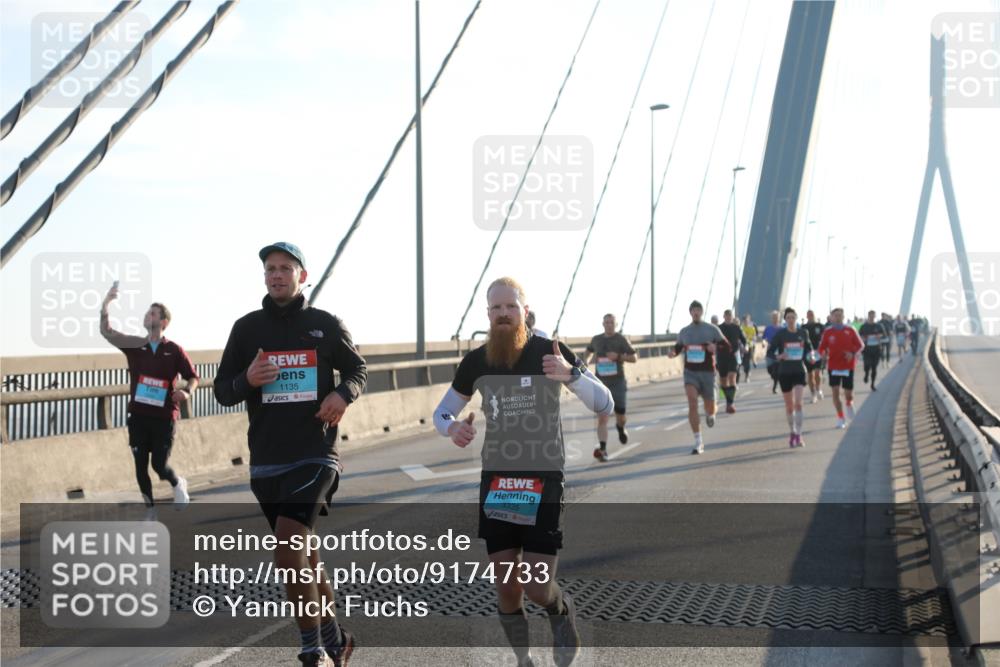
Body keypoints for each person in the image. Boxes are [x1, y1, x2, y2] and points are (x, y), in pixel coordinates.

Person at [434, 277, 613, 667]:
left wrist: (571, 374)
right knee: (507, 588)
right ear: (487, 314)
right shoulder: (476, 361)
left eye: (510, 307)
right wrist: (452, 428)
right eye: (496, 308)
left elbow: (605, 404)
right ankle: (523, 659)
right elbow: (442, 412)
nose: (503, 314)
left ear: (524, 311)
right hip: (498, 481)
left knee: (535, 586)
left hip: (543, 478)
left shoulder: (550, 352)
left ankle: (559, 610)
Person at [214, 242, 368, 667]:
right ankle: (336, 639)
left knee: (287, 549)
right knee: (304, 555)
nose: (277, 275)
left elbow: (357, 369)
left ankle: (311, 648)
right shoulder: (246, 329)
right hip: (267, 460)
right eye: (270, 269)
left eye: (285, 268)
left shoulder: (324, 325)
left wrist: (342, 394)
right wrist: (247, 379)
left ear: (303, 276)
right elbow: (222, 390)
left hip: (315, 454)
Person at [100, 285, 197, 516]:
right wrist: (106, 304)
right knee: (140, 466)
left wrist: (187, 392)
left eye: (152, 314)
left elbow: (193, 376)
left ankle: (177, 483)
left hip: (164, 417)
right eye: (147, 313)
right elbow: (106, 331)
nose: (147, 316)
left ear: (163, 322)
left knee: (159, 466)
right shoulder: (135, 346)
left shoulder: (174, 350)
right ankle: (150, 511)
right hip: (138, 416)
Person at [668, 300, 731, 454]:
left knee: (710, 407)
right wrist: (673, 353)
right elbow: (678, 347)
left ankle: (711, 414)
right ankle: (698, 442)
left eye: (698, 310)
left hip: (708, 373)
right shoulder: (684, 331)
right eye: (693, 310)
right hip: (690, 373)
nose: (696, 312)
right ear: (690, 313)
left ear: (702, 312)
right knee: (692, 402)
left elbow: (727, 346)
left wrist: (715, 347)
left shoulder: (711, 329)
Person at [585, 313, 637, 462]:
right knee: (602, 418)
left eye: (611, 323)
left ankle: (621, 427)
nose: (609, 325)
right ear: (603, 324)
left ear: (616, 325)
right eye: (606, 322)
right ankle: (603, 449)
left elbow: (634, 357)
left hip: (618, 382)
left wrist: (619, 357)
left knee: (621, 416)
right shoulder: (596, 339)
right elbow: (588, 351)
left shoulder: (621, 339)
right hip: (600, 383)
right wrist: (586, 360)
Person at [768, 307, 813, 448]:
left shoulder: (803, 333)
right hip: (785, 372)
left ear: (796, 318)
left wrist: (811, 356)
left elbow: (809, 349)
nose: (791, 320)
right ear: (785, 320)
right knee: (789, 406)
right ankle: (792, 432)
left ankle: (799, 434)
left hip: (799, 370)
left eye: (793, 317)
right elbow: (769, 352)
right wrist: (779, 356)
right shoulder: (781, 334)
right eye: (788, 318)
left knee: (798, 403)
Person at [818, 307, 864, 429]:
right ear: (831, 318)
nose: (838, 317)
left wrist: (852, 354)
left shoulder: (850, 330)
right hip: (833, 366)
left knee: (848, 394)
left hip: (848, 365)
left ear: (843, 317)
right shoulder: (828, 332)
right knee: (835, 392)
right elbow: (821, 348)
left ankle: (849, 403)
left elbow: (861, 345)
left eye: (840, 315)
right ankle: (840, 417)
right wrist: (823, 354)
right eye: (835, 315)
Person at [716, 309, 747, 413]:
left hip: (733, 356)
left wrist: (745, 347)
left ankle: (730, 403)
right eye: (727, 315)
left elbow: (744, 340)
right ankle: (728, 400)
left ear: (732, 317)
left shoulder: (737, 328)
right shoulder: (719, 328)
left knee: (732, 377)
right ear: (724, 317)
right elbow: (713, 340)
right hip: (721, 356)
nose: (728, 317)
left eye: (730, 316)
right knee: (723, 381)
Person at [801, 309, 825, 403]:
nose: (810, 316)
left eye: (812, 314)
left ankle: (818, 389)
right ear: (806, 316)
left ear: (814, 315)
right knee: (810, 374)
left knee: (818, 372)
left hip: (818, 352)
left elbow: (824, 338)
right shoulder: (803, 327)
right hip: (807, 353)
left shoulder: (820, 326)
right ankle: (813, 394)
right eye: (809, 314)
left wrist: (825, 351)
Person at [858, 310, 885, 391]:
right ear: (868, 316)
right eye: (870, 316)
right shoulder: (864, 326)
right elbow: (859, 336)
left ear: (875, 316)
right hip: (867, 349)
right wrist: (864, 338)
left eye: (873, 316)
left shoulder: (879, 326)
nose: (872, 317)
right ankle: (866, 374)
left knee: (874, 367)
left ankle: (872, 384)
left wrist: (879, 336)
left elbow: (884, 335)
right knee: (867, 365)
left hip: (876, 349)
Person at [762, 310, 783, 393]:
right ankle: (776, 379)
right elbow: (764, 339)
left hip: (779, 352)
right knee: (770, 370)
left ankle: (775, 386)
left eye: (776, 317)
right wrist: (764, 344)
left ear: (779, 318)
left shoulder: (782, 329)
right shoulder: (768, 328)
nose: (775, 318)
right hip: (770, 351)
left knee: (776, 370)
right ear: (771, 318)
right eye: (773, 317)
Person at [740, 314, 757, 382]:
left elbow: (754, 337)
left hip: (750, 346)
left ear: (749, 320)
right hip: (742, 347)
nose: (746, 322)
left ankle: (747, 376)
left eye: (747, 320)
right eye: (745, 320)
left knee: (747, 361)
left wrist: (751, 340)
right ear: (743, 321)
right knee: (743, 362)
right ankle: (747, 370)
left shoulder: (752, 328)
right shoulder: (741, 328)